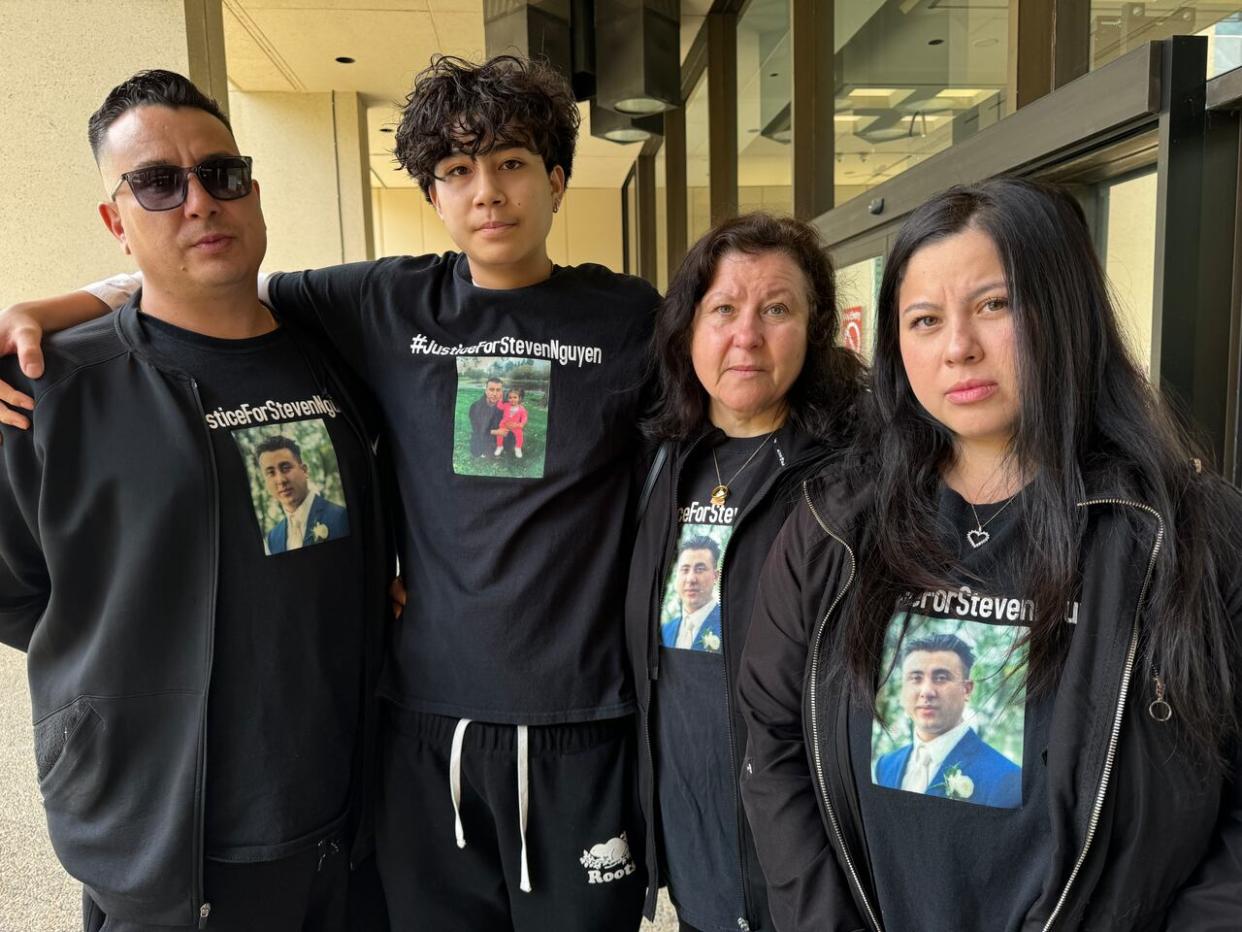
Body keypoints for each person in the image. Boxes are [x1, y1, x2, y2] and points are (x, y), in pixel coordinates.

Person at [0, 55, 656, 932]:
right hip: (283, 795)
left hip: (476, 766)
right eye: (457, 172)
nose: (488, 193)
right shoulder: (381, 305)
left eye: (512, 164)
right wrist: (53, 307)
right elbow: (204, 284)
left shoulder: (616, 321)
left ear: (558, 180)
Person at [737, 178, 1242, 931]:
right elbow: (770, 739)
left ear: (1065, 309)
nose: (958, 347)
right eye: (924, 319)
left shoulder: (1187, 533)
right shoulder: (833, 529)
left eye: (994, 305)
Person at [0, 71, 391, 931]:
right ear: (117, 220)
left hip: (350, 824)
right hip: (174, 844)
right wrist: (133, 647)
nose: (198, 203)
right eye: (157, 183)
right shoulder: (50, 390)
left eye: (222, 174)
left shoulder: (333, 353)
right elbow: (15, 590)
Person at [624, 213, 863, 932]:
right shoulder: (664, 461)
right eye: (723, 308)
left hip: (803, 853)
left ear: (815, 329)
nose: (746, 335)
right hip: (692, 830)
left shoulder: (855, 476)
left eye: (777, 309)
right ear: (689, 327)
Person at [873, 634, 1021, 808]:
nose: (926, 691)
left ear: (966, 690)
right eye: (916, 678)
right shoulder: (886, 765)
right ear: (903, 688)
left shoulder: (1007, 779)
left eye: (941, 677)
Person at [256, 434, 351, 553]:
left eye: (285, 468)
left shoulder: (341, 517)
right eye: (271, 473)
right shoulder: (272, 538)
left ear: (304, 471)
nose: (280, 480)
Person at [660, 535, 723, 651]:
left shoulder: (728, 626)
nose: (691, 579)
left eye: (700, 569)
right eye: (685, 569)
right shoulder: (665, 631)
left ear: (716, 576)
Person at [469, 377, 504, 457]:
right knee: (476, 451)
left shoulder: (504, 407)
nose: (495, 394)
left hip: (498, 437)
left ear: (501, 392)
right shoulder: (475, 407)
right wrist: (496, 432)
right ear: (486, 391)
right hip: (481, 436)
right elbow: (477, 429)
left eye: (498, 390)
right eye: (491, 389)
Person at [495, 386, 527, 457]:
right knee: (499, 434)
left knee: (519, 435)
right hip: (504, 424)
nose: (512, 399)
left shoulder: (521, 409)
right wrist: (500, 399)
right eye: (510, 397)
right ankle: (499, 446)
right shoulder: (506, 405)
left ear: (519, 398)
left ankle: (518, 448)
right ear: (508, 398)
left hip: (515, 425)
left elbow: (524, 417)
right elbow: (499, 406)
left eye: (515, 397)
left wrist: (521, 424)